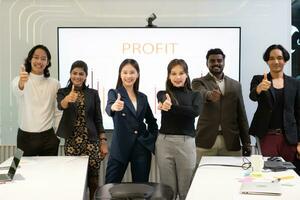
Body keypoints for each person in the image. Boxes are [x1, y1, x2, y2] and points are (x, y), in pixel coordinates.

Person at [56, 60, 108, 200]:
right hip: (72, 142)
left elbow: (98, 119)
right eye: (74, 73)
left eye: (81, 74)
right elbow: (61, 106)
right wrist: (68, 99)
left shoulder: (93, 93)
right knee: (74, 180)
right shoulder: (63, 92)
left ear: (85, 76)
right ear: (70, 74)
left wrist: (103, 141)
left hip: (91, 142)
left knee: (93, 181)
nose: (77, 76)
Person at [192, 48, 251, 164]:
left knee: (232, 178)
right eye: (212, 61)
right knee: (203, 178)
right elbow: (200, 93)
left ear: (224, 62)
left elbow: (241, 114)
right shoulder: (198, 82)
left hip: (231, 141)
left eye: (219, 60)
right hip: (205, 140)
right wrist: (209, 95)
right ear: (207, 63)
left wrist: (247, 142)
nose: (216, 63)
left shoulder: (235, 85)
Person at [105, 58, 158, 184]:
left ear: (137, 74)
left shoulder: (143, 97)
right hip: (120, 148)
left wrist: (150, 139)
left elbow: (152, 121)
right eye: (125, 72)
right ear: (120, 74)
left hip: (141, 148)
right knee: (109, 188)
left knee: (140, 190)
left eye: (132, 72)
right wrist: (114, 107)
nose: (128, 76)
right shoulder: (114, 93)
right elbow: (109, 108)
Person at [156, 59, 202, 200]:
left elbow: (194, 112)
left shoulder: (195, 95)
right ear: (169, 76)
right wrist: (165, 103)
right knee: (168, 191)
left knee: (186, 190)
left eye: (181, 73)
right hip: (164, 143)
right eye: (173, 73)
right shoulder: (163, 93)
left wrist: (172, 107)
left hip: (186, 143)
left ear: (186, 75)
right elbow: (163, 99)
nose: (177, 77)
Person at [249, 44, 300, 163]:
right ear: (267, 61)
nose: (276, 61)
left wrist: (299, 142)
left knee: (289, 174)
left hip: (289, 138)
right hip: (267, 135)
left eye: (279, 58)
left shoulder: (295, 83)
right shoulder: (259, 79)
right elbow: (252, 96)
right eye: (271, 58)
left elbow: (298, 112)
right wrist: (259, 88)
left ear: (285, 60)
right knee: (269, 172)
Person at [12, 44, 61, 156]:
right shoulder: (18, 80)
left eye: (43, 59)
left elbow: (58, 111)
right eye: (36, 57)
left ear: (48, 62)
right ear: (30, 59)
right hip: (24, 137)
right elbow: (17, 91)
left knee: (49, 172)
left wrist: (57, 136)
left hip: (49, 138)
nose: (39, 61)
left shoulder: (54, 83)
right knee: (17, 169)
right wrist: (21, 83)